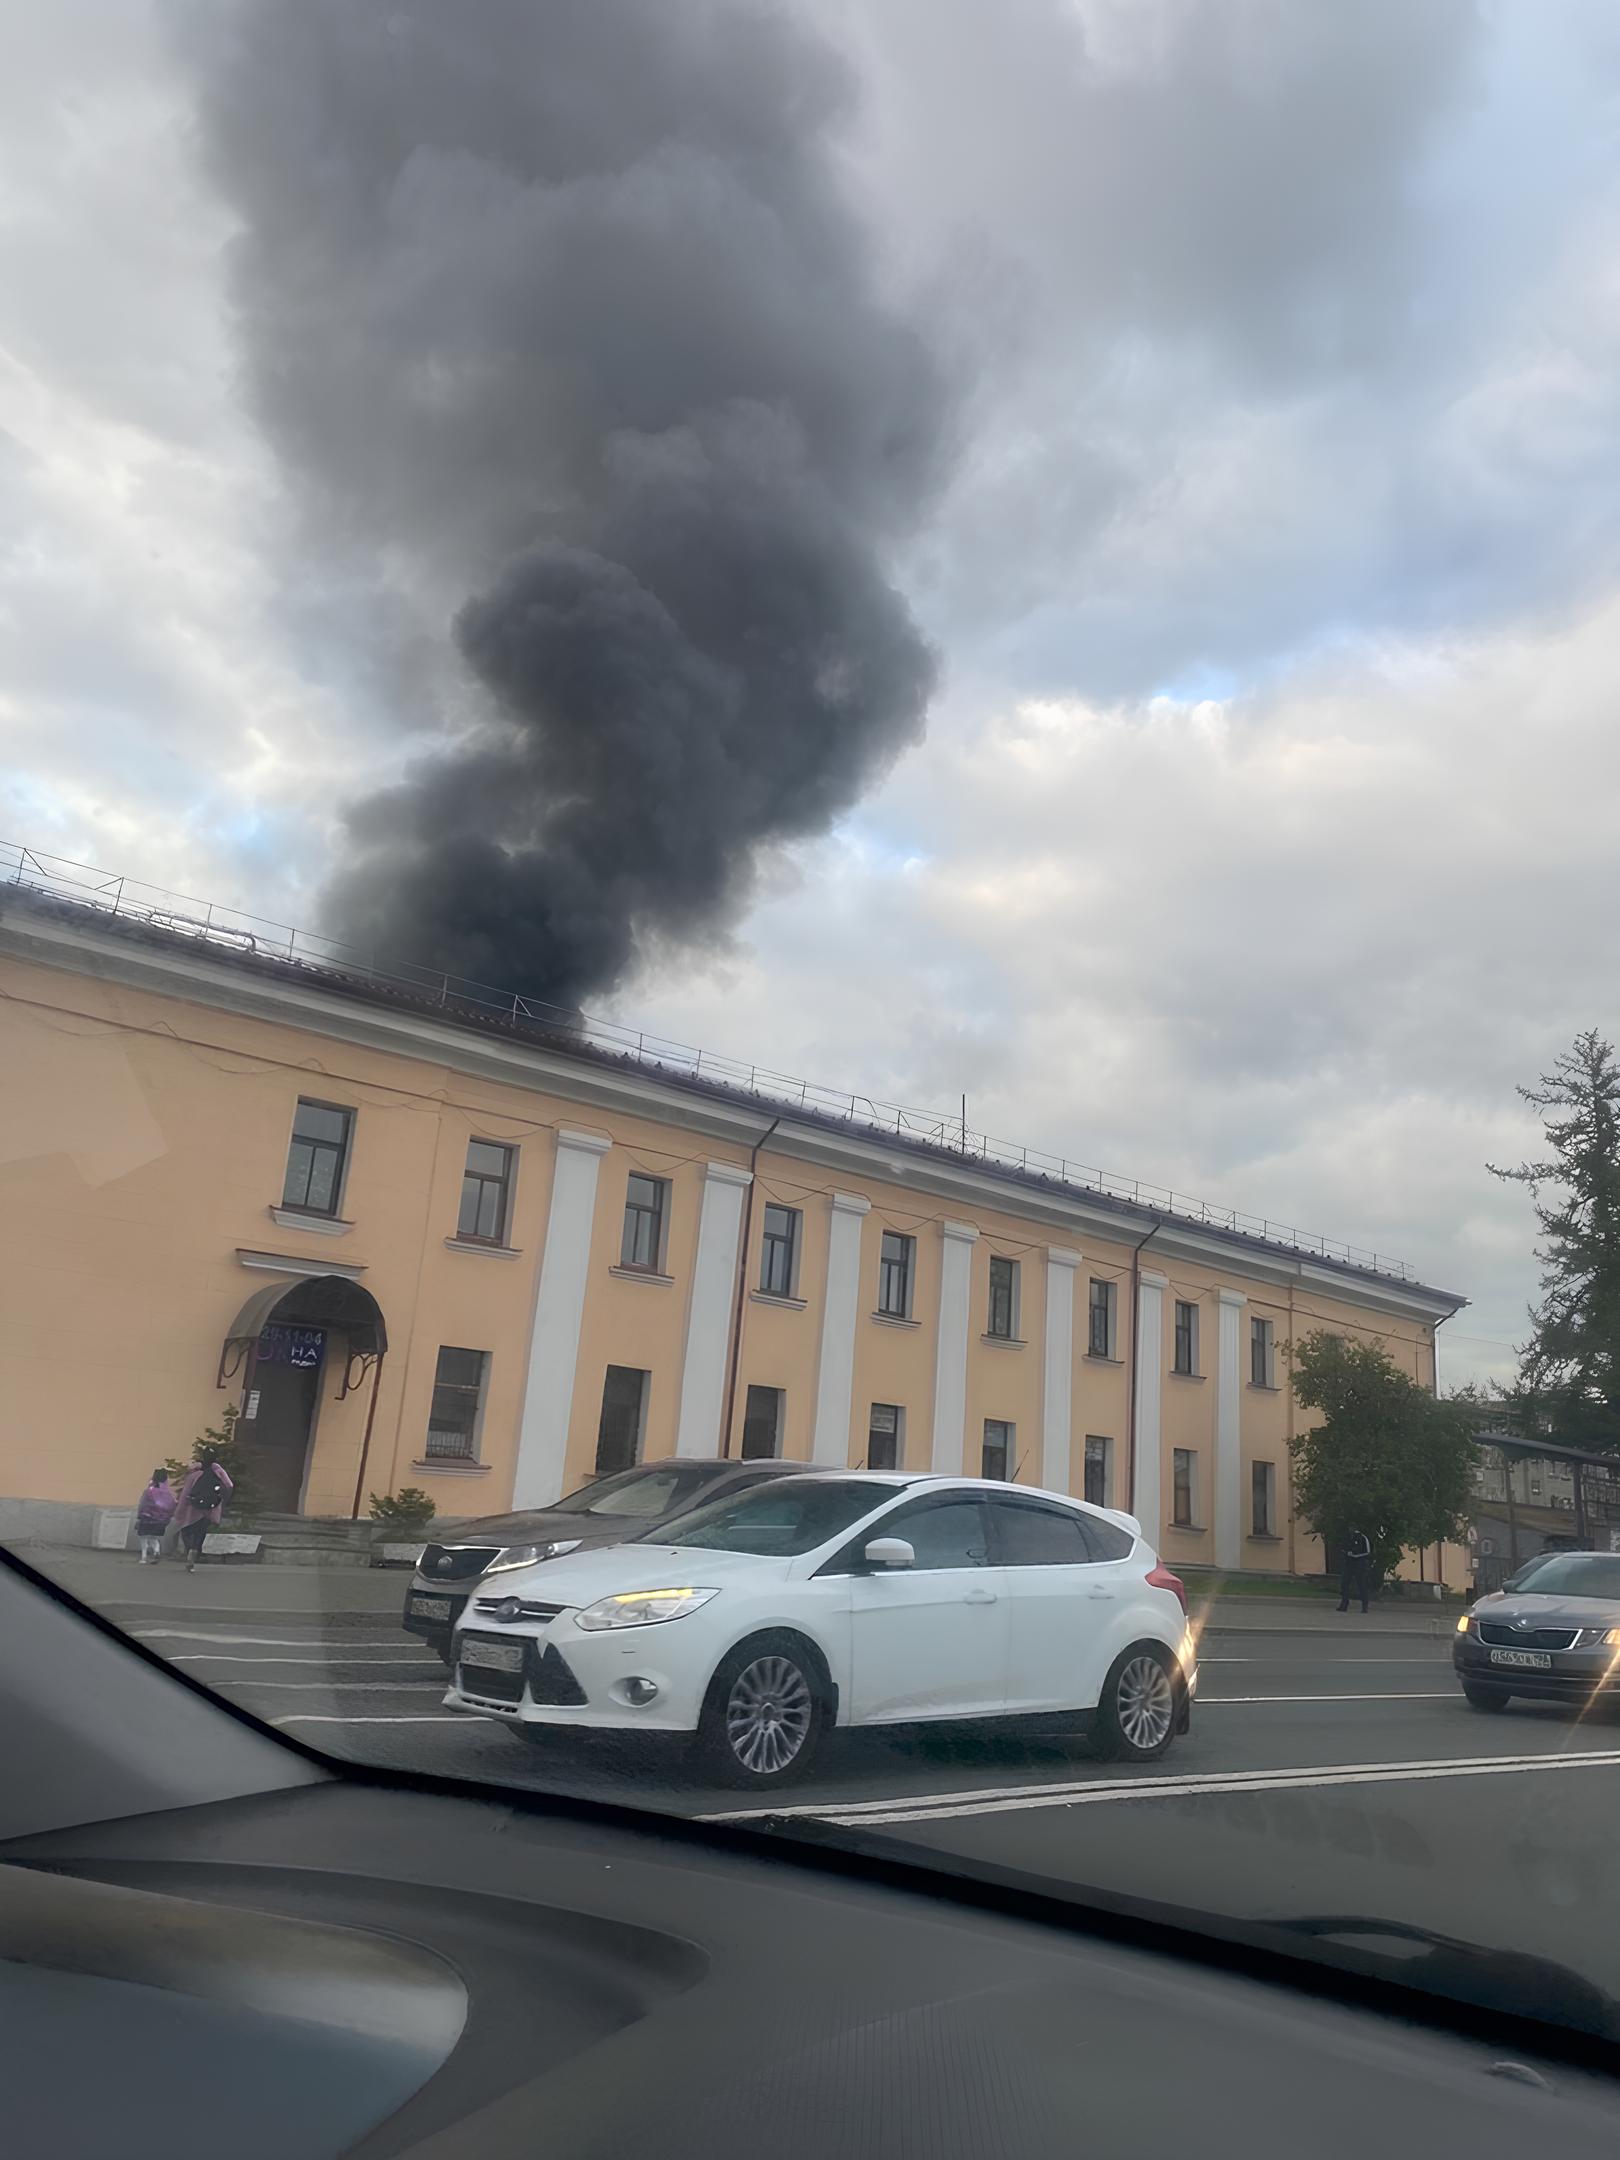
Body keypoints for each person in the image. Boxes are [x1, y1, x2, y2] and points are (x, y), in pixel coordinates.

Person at [174, 1456, 234, 1573]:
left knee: (186, 1531)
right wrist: (222, 1502)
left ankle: (190, 1551)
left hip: (193, 1511)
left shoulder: (193, 1476)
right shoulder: (218, 1473)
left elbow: (185, 1495)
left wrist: (179, 1512)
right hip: (209, 1511)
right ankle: (195, 1552)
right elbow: (230, 1485)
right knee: (200, 1534)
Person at [134, 1467, 176, 1564]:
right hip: (162, 1520)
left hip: (147, 1517)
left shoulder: (150, 1491)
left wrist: (139, 1515)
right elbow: (172, 1505)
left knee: (143, 1537)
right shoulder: (167, 1493)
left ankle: (144, 1557)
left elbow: (143, 1504)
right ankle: (156, 1551)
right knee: (154, 1537)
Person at [1338, 1526, 1372, 1613]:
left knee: (1362, 1585)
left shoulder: (1363, 1538)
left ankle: (1365, 1606)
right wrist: (1346, 1553)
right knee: (1344, 1583)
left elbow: (1368, 1552)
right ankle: (1344, 1604)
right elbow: (1343, 1548)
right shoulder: (1347, 1537)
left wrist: (1356, 1555)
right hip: (1349, 1563)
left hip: (1360, 1564)